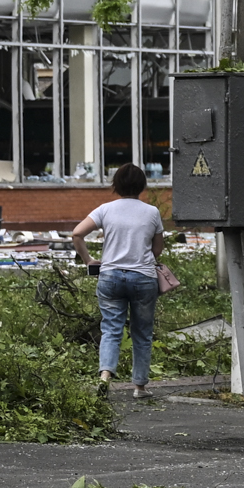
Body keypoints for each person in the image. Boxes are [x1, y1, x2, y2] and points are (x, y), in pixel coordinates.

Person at [70, 163, 166, 400]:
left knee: (111, 329)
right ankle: (140, 387)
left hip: (111, 277)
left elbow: (77, 234)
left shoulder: (105, 209)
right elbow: (158, 248)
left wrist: (89, 260)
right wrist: (141, 261)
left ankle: (104, 378)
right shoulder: (152, 212)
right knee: (142, 333)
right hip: (143, 279)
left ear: (116, 185)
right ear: (142, 186)